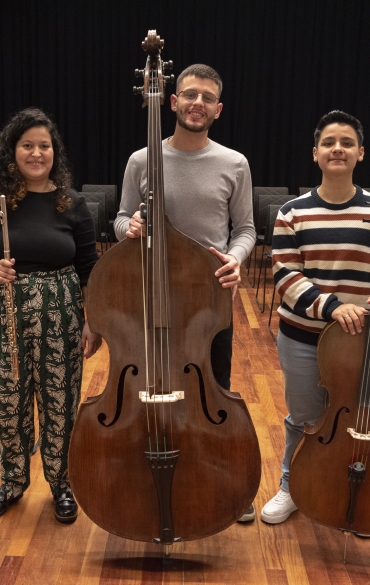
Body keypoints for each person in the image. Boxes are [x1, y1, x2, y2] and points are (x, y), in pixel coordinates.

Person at [114, 64, 256, 522]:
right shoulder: (141, 159)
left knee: (212, 392)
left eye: (207, 96)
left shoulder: (234, 163)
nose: (197, 102)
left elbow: (246, 229)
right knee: (146, 388)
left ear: (218, 108)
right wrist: (129, 227)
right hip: (149, 299)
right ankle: (142, 472)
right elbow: (118, 221)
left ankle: (221, 483)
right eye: (188, 94)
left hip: (207, 304)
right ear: (171, 102)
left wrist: (236, 258)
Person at [261, 110, 369, 524]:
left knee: (360, 420)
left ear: (360, 153)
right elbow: (285, 275)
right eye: (328, 142)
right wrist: (334, 307)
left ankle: (354, 493)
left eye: (346, 142)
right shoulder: (292, 212)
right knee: (305, 418)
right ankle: (292, 485)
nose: (337, 148)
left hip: (362, 342)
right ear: (315, 153)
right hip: (303, 337)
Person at [0, 107, 101, 523]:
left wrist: (93, 322)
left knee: (61, 402)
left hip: (63, 315)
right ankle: (11, 479)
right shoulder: (1, 203)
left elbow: (90, 270)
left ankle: (62, 483)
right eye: (28, 145)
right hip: (8, 318)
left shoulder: (73, 204)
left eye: (44, 145)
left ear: (54, 152)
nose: (36, 153)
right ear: (13, 151)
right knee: (10, 401)